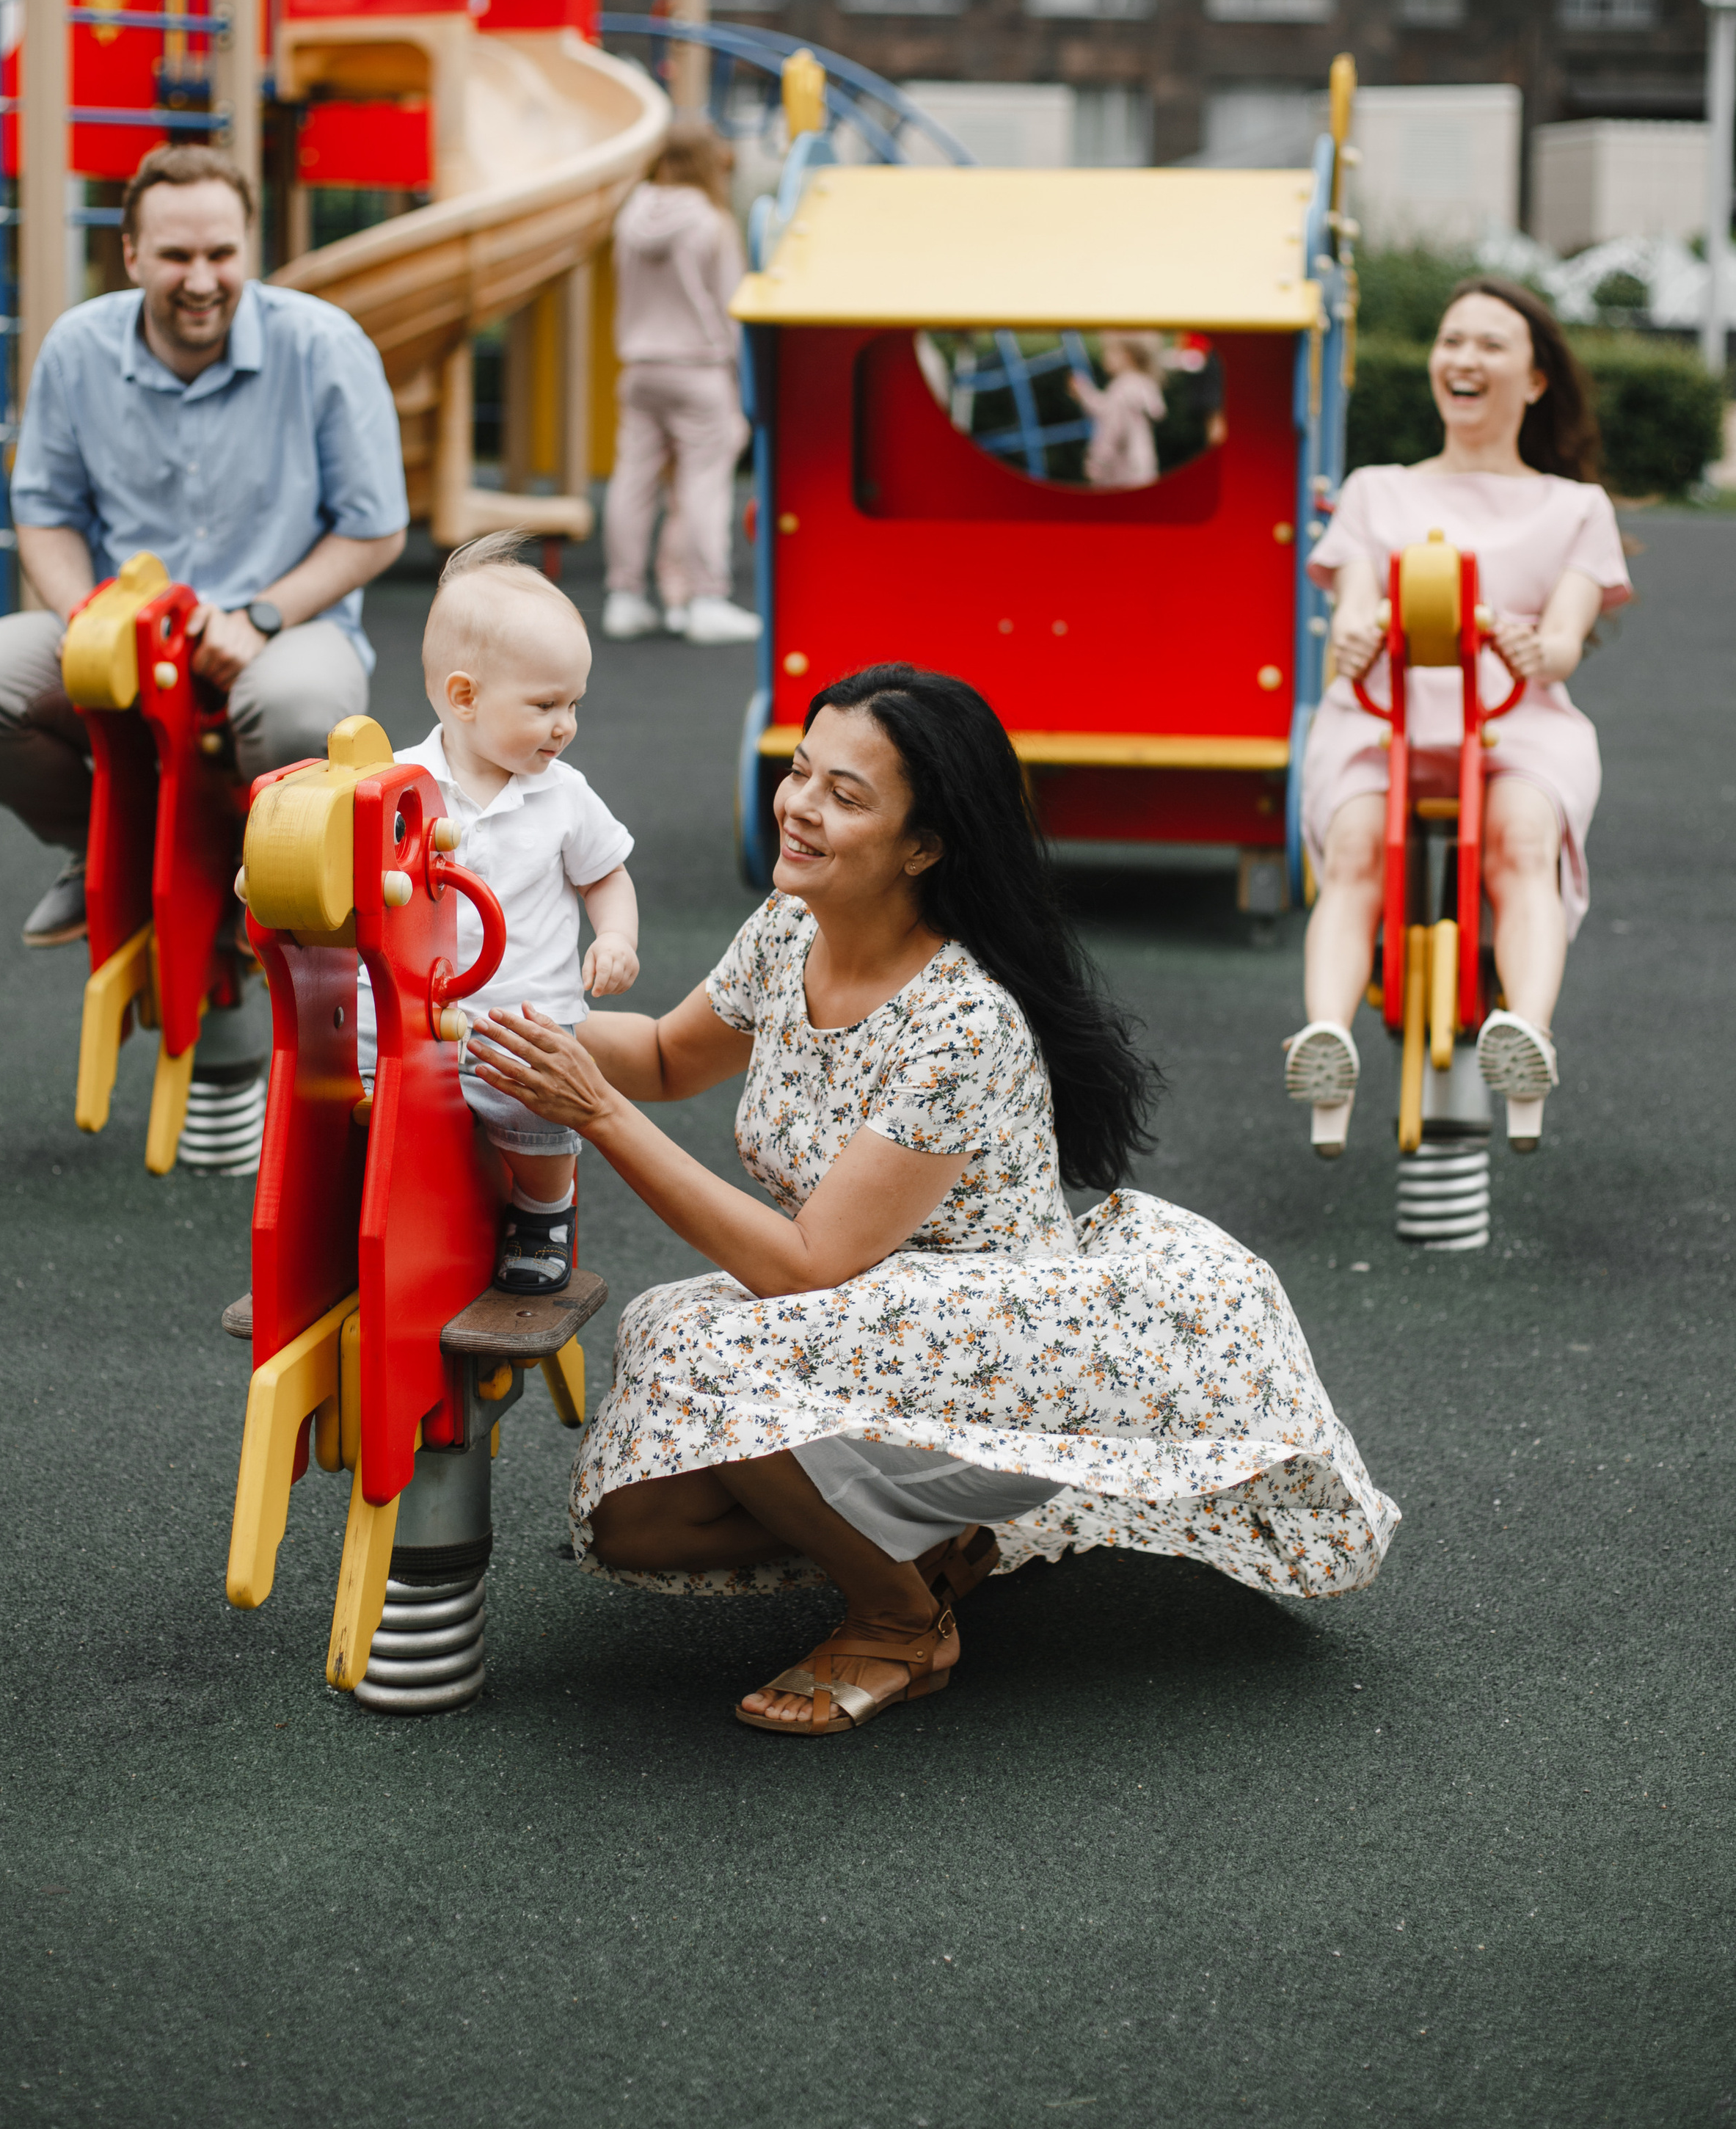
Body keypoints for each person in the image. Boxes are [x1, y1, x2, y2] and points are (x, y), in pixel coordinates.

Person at [469, 664, 1398, 1739]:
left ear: (926, 846)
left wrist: (592, 1112)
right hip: (876, 1327)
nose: (802, 805)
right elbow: (674, 1054)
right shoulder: (790, 926)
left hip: (994, 1350)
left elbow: (808, 1264)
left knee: (689, 1338)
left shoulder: (963, 1023)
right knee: (639, 1527)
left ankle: (900, 1618)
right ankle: (942, 1548)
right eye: (801, 772)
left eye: (847, 794)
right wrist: (495, 1017)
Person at [0, 145, 409, 947]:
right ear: (132, 253)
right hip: (127, 622)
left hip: (283, 621)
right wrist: (89, 618)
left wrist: (263, 615)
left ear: (249, 248)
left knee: (297, 713)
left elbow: (376, 526)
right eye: (177, 255)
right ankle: (106, 849)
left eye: (221, 254)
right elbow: (45, 510)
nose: (202, 279)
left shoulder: (322, 346)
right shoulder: (79, 348)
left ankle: (266, 894)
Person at [1284, 277, 1632, 1157]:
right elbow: (1351, 624)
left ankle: (1526, 1034)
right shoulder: (1377, 492)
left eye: (1489, 344)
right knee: (1358, 842)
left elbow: (1562, 641)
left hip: (1516, 721)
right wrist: (1357, 640)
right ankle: (1325, 1036)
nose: (1463, 360)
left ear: (1535, 379)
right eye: (1451, 341)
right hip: (1383, 717)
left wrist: (1529, 648)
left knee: (1522, 836)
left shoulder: (1573, 508)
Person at [359, 532, 638, 1295]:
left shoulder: (563, 795)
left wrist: (615, 934)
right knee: (363, 1110)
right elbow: (332, 852)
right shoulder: (398, 787)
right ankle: (376, 1221)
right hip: (403, 1018)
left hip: (522, 1016)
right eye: (545, 704)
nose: (564, 725)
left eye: (573, 704)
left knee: (539, 1118)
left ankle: (543, 1210)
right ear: (463, 697)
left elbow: (606, 874)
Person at [601, 122, 760, 647]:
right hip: (700, 369)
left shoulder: (629, 216)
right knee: (703, 486)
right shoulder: (712, 223)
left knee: (632, 481)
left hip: (640, 367)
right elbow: (734, 308)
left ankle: (624, 596)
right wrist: (746, 381)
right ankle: (704, 598)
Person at [1071, 332, 1168, 490]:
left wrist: (1096, 463)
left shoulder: (1121, 389)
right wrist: (1084, 393)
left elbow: (1111, 429)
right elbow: (1107, 409)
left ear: (1126, 356)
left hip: (1121, 471)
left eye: (1109, 351)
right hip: (1143, 467)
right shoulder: (1144, 385)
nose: (1104, 357)